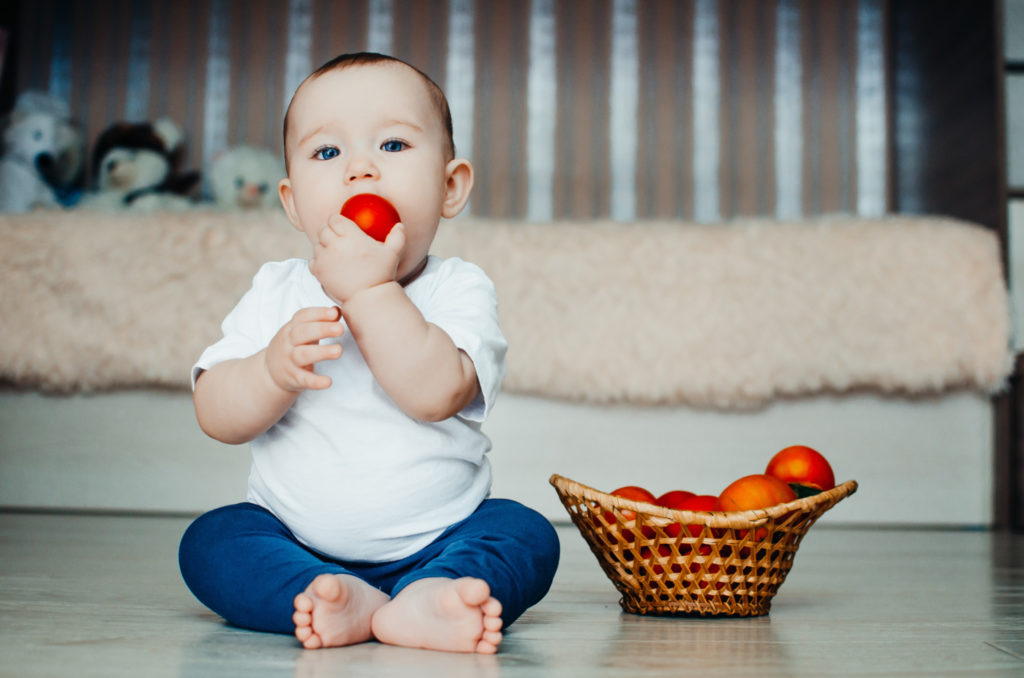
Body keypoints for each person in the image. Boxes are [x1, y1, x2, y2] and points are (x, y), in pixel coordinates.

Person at [178, 52, 560, 654]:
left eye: (393, 146)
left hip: (444, 534)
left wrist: (370, 291)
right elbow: (215, 413)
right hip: (294, 538)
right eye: (327, 154)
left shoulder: (457, 288)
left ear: (449, 187)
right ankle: (326, 594)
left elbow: (435, 394)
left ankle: (434, 593)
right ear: (294, 203)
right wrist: (270, 371)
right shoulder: (276, 289)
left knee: (527, 533)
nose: (360, 170)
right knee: (211, 542)